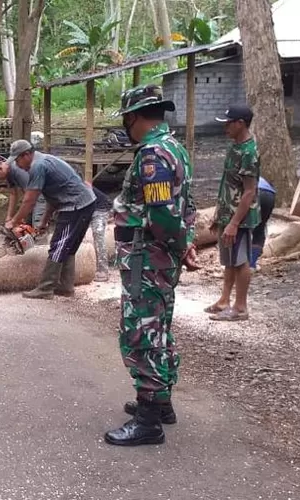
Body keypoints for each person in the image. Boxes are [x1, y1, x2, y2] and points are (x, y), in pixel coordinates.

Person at [105, 84, 197, 447]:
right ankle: (162, 403)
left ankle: (148, 421)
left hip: (148, 258)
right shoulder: (176, 149)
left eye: (126, 120)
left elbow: (161, 215)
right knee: (160, 327)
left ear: (133, 118)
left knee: (141, 333)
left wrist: (176, 244)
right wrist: (184, 246)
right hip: (161, 256)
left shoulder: (152, 156)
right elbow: (185, 207)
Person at [4, 140, 96, 299]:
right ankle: (65, 287)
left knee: (58, 245)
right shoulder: (42, 160)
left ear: (26, 155)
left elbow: (29, 200)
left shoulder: (38, 166)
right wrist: (44, 221)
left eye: (18, 160)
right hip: (82, 204)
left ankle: (46, 288)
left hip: (75, 206)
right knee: (68, 245)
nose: (17, 165)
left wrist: (14, 221)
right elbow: (52, 197)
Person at [205, 104, 260, 322]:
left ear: (240, 123)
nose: (225, 127)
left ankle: (240, 307)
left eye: (229, 123)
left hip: (241, 217)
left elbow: (249, 192)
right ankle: (224, 300)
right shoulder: (235, 146)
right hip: (228, 213)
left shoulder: (249, 152)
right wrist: (220, 215)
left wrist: (235, 223)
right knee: (229, 259)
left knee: (240, 260)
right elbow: (227, 183)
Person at [0, 157, 47, 227]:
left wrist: (16, 219)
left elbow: (31, 198)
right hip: (35, 194)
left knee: (38, 224)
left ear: (0, 169)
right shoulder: (8, 172)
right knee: (27, 222)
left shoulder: (18, 170)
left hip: (43, 192)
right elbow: (13, 194)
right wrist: (9, 217)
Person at [251, 176, 275, 269]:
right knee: (260, 228)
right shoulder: (257, 175)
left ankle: (238, 263)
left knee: (243, 228)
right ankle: (251, 263)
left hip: (253, 192)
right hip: (269, 194)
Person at [90, 186, 112, 282]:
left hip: (100, 208)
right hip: (88, 207)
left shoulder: (81, 186)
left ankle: (103, 270)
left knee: (98, 234)